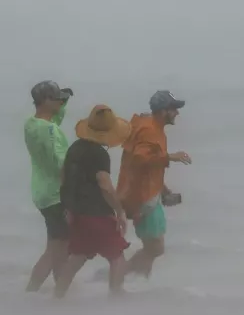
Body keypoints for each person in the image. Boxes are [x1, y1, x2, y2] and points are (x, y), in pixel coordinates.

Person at [53, 104, 132, 298]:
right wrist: (119, 211)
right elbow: (104, 184)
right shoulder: (99, 154)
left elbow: (63, 177)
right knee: (117, 256)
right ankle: (116, 295)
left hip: (77, 213)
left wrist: (68, 207)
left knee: (78, 257)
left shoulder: (75, 148)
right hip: (97, 214)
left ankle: (56, 296)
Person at [116, 90, 192, 279]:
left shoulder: (151, 126)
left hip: (149, 193)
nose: (177, 113)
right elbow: (140, 159)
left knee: (152, 247)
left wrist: (164, 190)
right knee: (155, 247)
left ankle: (138, 286)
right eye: (174, 109)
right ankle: (116, 275)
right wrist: (170, 157)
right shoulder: (150, 129)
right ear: (163, 110)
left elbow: (147, 168)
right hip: (141, 197)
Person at [23, 80, 74, 292]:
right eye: (56, 99)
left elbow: (55, 117)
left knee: (58, 245)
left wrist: (64, 99)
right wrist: (72, 196)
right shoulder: (51, 131)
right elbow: (62, 164)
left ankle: (59, 292)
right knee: (56, 249)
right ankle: (34, 290)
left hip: (41, 192)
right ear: (45, 101)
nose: (60, 103)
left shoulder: (31, 124)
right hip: (56, 194)